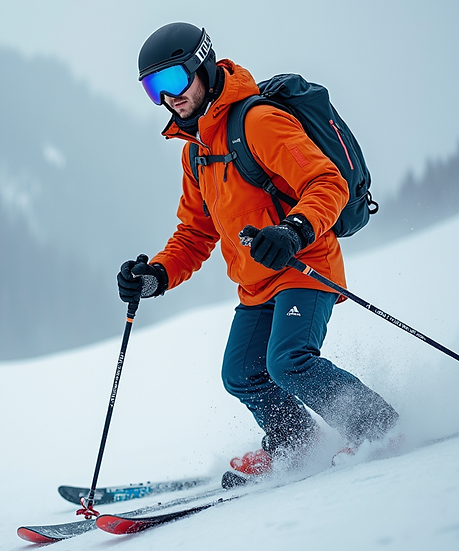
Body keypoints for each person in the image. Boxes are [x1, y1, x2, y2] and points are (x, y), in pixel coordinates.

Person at [117, 22, 398, 476]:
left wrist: (294, 230)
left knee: (289, 362)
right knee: (242, 373)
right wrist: (157, 275)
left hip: (303, 265)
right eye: (154, 88)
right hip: (256, 282)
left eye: (173, 80)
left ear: (201, 66)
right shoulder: (196, 151)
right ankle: (295, 443)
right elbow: (195, 232)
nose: (168, 97)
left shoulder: (258, 122)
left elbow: (328, 183)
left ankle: (378, 427)